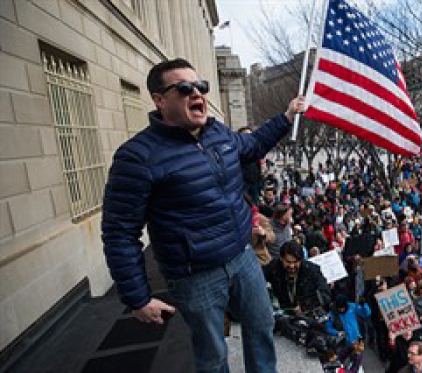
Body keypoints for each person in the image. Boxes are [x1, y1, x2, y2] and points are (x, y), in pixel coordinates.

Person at [102, 58, 305, 372]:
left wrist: (287, 117)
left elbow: (252, 145)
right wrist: (137, 298)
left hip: (243, 257)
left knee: (262, 327)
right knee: (212, 356)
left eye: (201, 86)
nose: (197, 93)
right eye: (184, 88)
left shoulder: (218, 134)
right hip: (194, 277)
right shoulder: (137, 157)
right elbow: (119, 233)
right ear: (159, 99)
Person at [263, 241, 331, 314]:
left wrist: (305, 306)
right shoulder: (273, 268)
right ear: (281, 259)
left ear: (301, 260)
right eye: (288, 262)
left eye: (295, 262)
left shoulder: (312, 270)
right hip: (281, 314)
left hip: (307, 315)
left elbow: (325, 294)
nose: (292, 266)